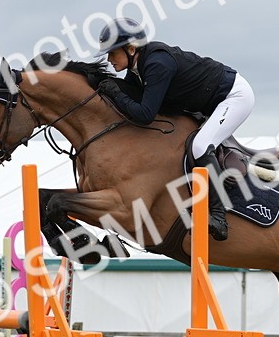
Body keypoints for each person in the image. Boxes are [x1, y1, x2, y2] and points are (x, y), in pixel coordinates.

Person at [95, 18, 255, 241]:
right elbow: (131, 94)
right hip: (210, 102)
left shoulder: (156, 64)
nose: (109, 59)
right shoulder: (137, 68)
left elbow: (145, 114)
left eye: (112, 53)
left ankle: (219, 216)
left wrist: (114, 92)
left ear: (131, 49)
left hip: (233, 97)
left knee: (200, 146)